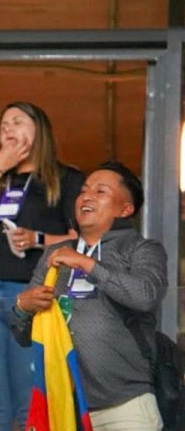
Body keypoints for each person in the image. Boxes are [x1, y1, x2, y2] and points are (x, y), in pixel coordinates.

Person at [0, 101, 84, 431]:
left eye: (17, 122)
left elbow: (80, 239)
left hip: (33, 294)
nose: (8, 129)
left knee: (32, 405)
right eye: (3, 125)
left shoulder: (65, 179)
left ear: (39, 131)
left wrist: (39, 238)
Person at [12, 162, 167, 430]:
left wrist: (86, 264)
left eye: (100, 191)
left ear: (125, 209)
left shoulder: (142, 249)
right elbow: (23, 335)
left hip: (126, 406)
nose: (86, 196)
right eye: (84, 191)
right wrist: (22, 307)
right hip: (64, 409)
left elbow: (145, 296)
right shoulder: (55, 254)